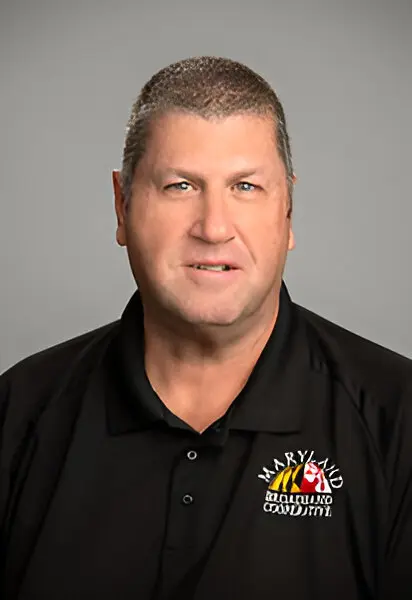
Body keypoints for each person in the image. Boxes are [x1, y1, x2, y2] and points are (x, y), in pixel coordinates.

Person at [0, 55, 411, 600]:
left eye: (245, 187)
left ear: (289, 210)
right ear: (122, 206)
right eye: (179, 186)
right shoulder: (19, 412)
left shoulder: (397, 418)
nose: (214, 228)